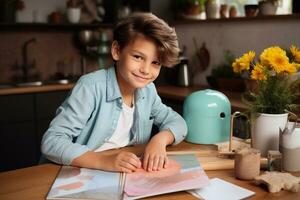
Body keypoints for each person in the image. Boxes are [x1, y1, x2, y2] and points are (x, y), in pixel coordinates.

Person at [41, 12, 187, 173]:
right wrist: (103, 160)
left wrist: (159, 140)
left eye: (155, 62)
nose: (146, 70)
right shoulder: (90, 87)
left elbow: (178, 122)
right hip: (77, 173)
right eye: (138, 57)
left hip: (123, 173)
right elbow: (52, 141)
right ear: (117, 51)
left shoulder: (148, 90)